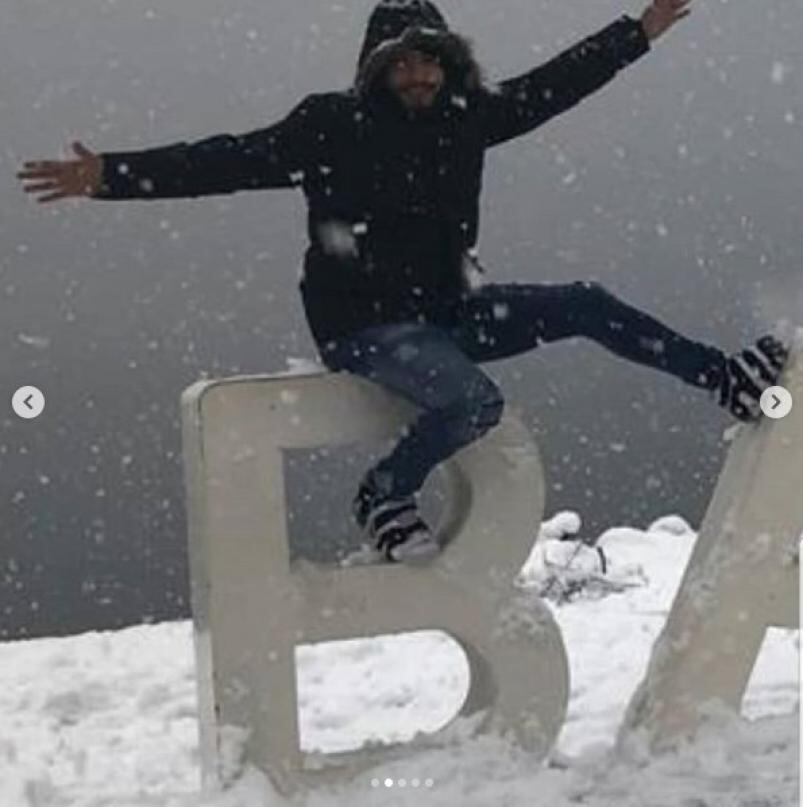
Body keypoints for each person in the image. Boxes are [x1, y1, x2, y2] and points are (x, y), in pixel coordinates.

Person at [18, 0, 788, 564]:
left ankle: (722, 379)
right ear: (376, 69)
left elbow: (557, 84)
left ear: (449, 64)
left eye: (430, 59)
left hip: (452, 311)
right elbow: (222, 158)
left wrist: (636, 33)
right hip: (363, 327)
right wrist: (111, 175)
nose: (418, 73)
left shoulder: (467, 116)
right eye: (402, 61)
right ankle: (384, 492)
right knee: (472, 399)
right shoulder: (326, 126)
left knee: (584, 303)